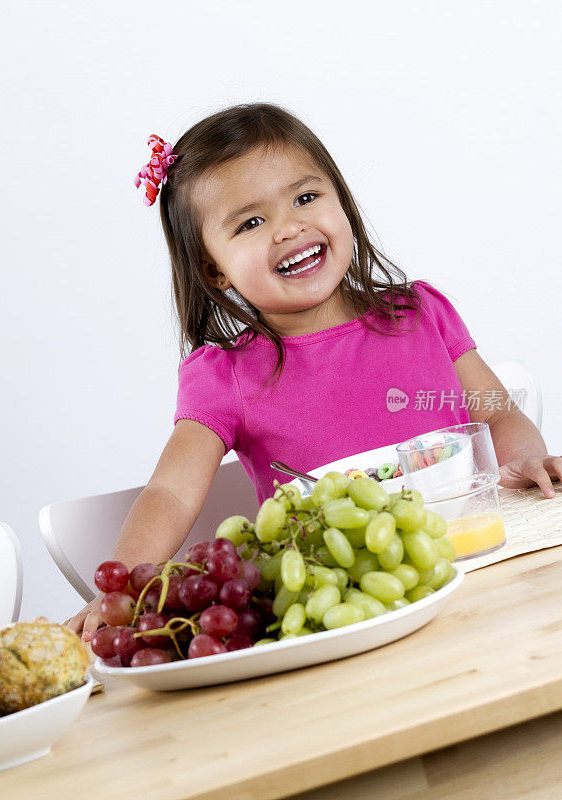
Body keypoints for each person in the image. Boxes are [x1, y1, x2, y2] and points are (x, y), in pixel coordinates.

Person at [66, 102, 561, 640]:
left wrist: (526, 457)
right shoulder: (223, 375)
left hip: (478, 574)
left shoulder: (420, 314)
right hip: (344, 614)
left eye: (305, 197)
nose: (289, 227)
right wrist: (125, 584)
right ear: (214, 269)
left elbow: (497, 413)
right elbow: (171, 493)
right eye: (251, 222)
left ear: (341, 203)